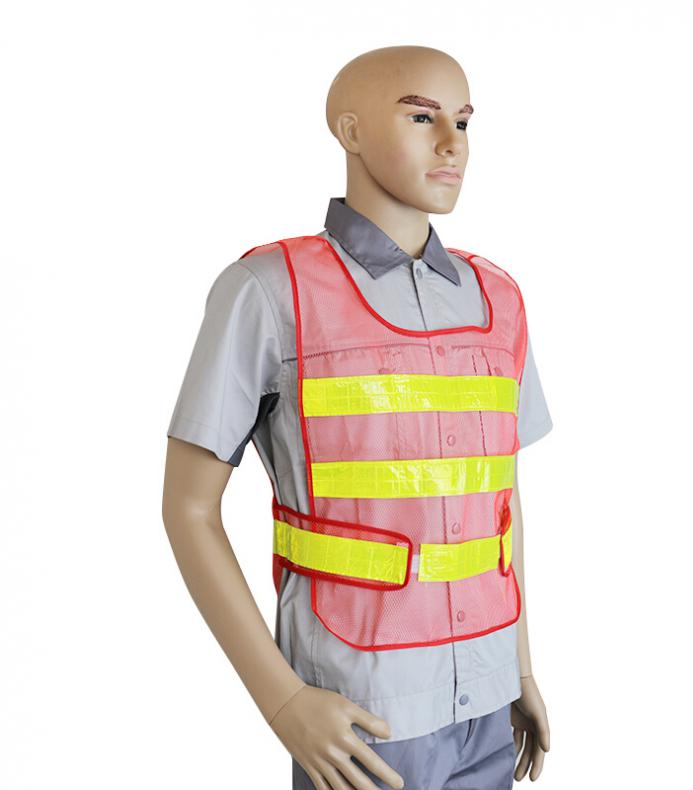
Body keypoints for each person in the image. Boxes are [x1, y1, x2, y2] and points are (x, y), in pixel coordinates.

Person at [162, 45, 552, 789]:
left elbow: (499, 504)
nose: (452, 144)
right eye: (422, 118)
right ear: (349, 130)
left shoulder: (498, 299)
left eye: (465, 121)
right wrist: (283, 702)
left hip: (490, 698)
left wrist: (521, 668)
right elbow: (188, 508)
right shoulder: (270, 291)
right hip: (361, 713)